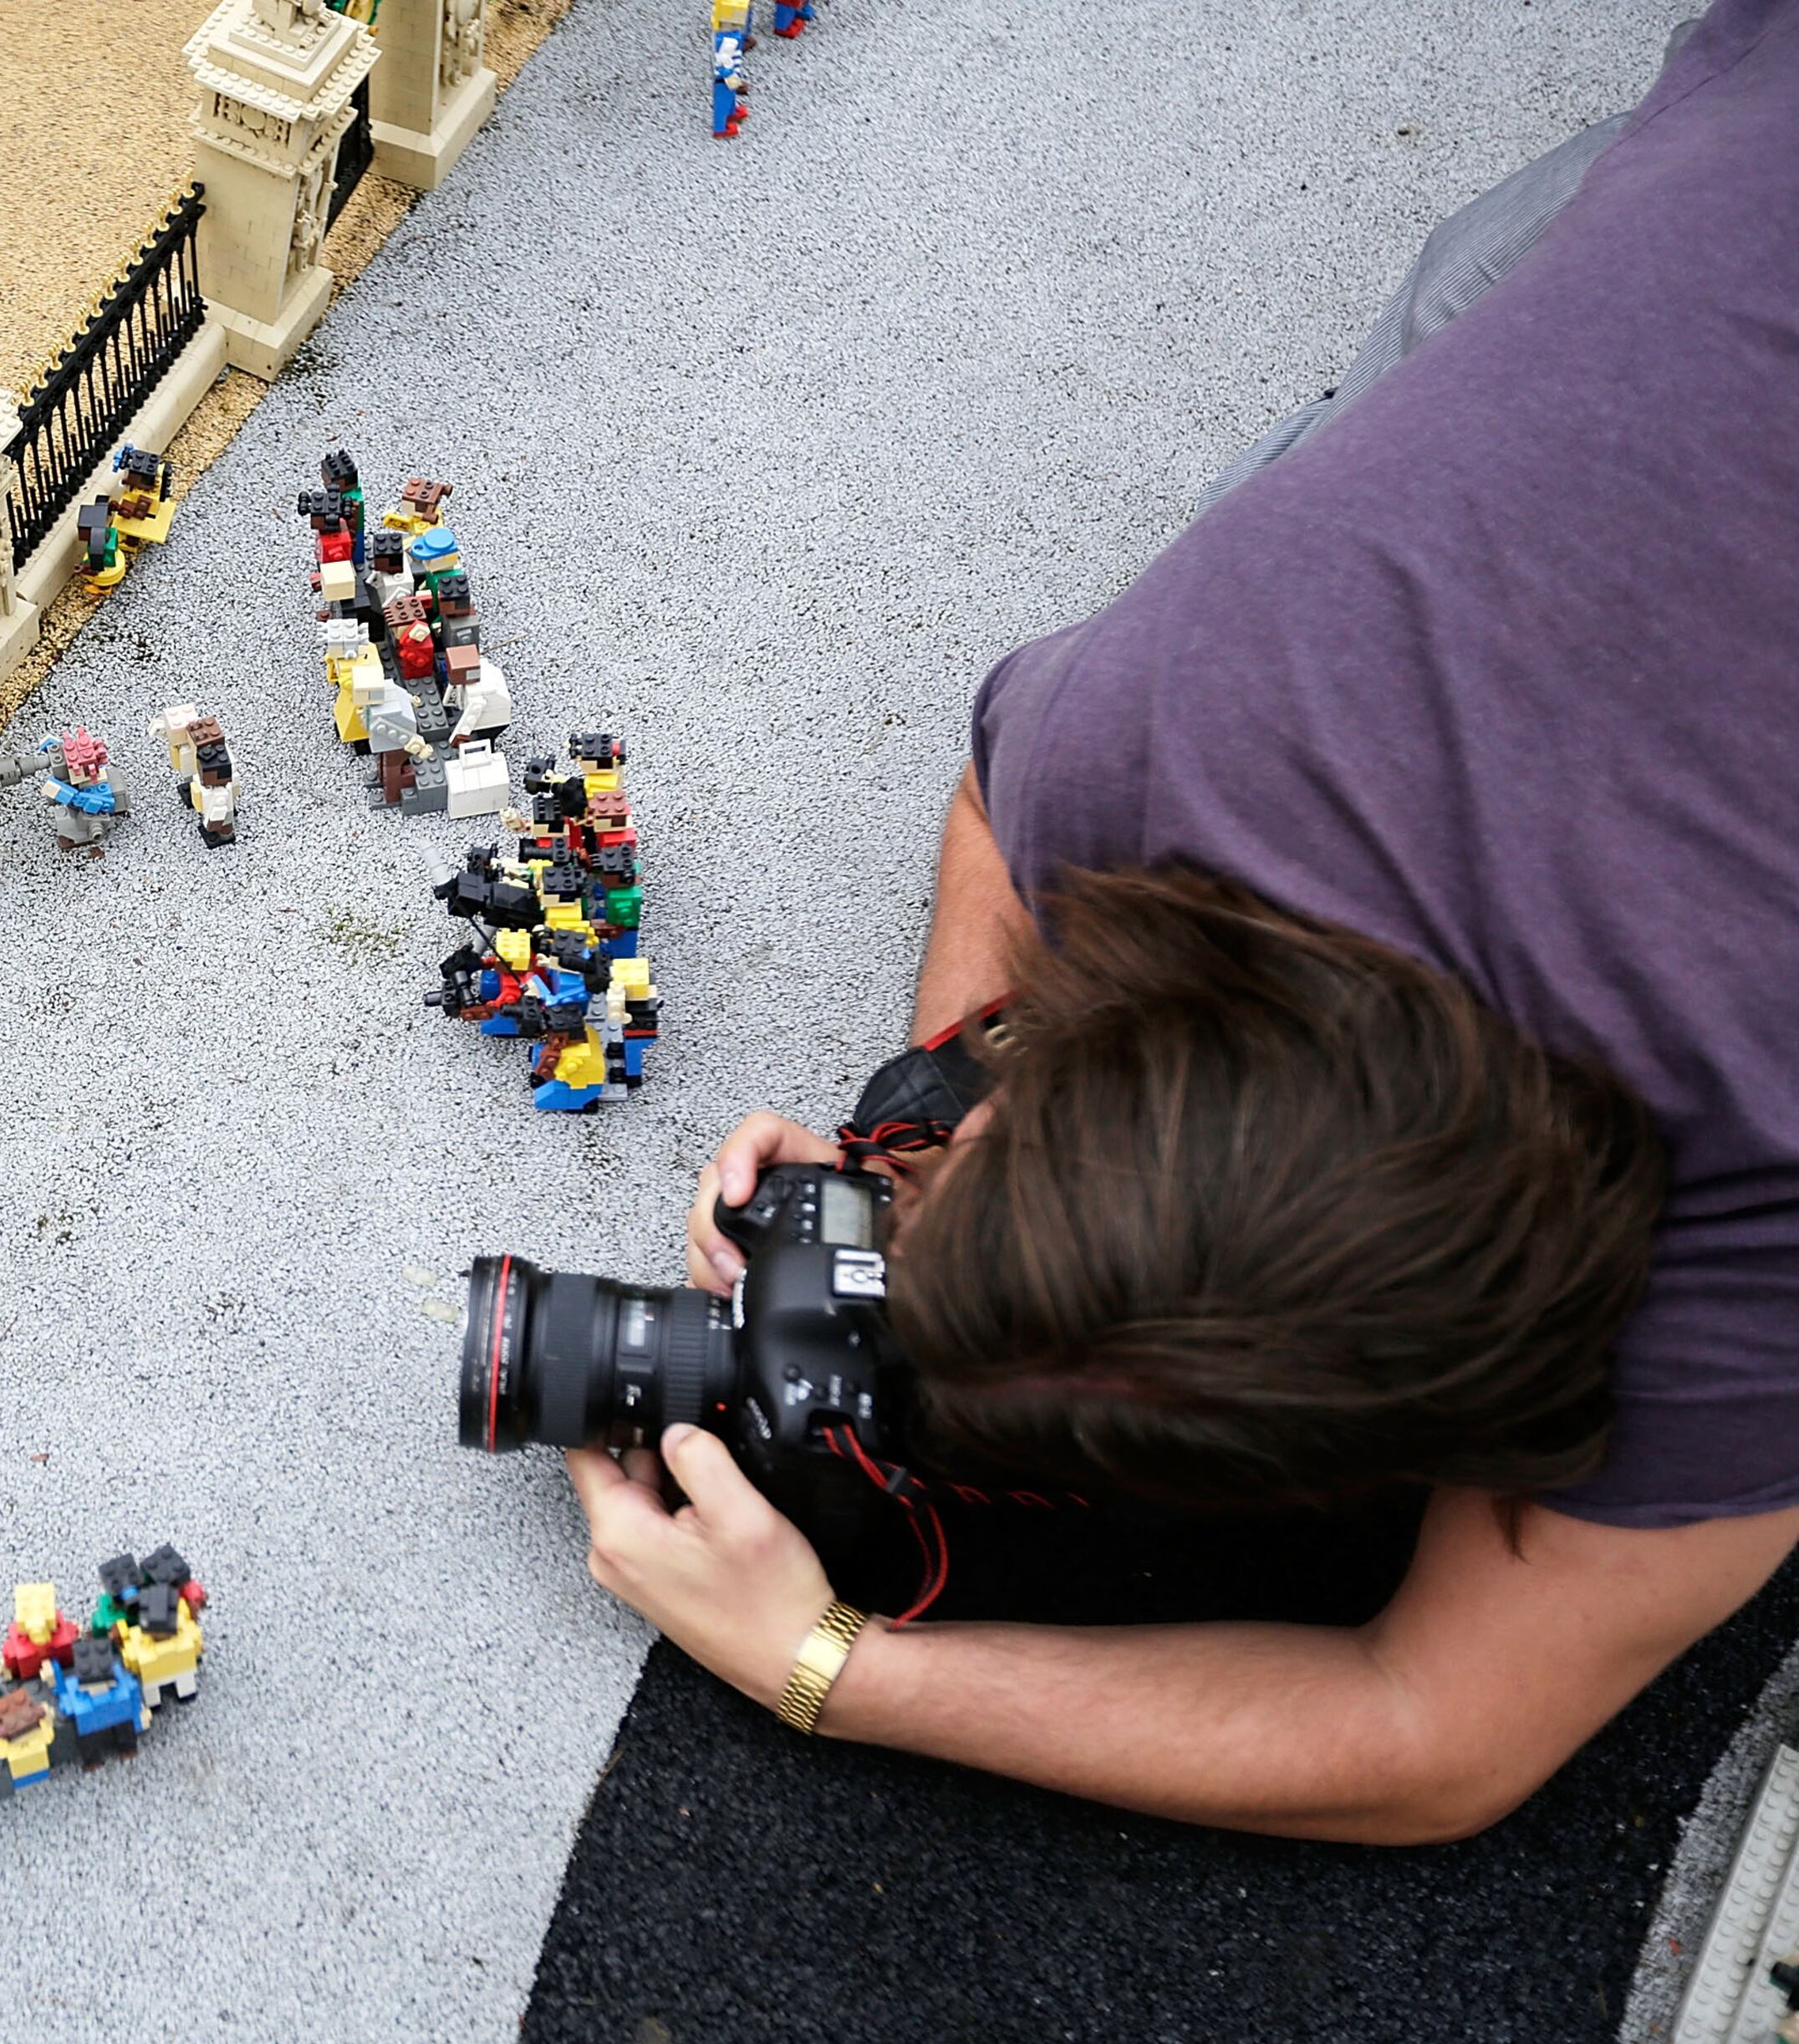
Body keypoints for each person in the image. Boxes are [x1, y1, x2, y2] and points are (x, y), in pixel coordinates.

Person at [568, 0, 1799, 1844]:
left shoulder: (1758, 1230)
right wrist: (918, 1110)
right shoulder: (1168, 729)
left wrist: (829, 1658)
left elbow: (1435, 1727)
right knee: (1472, 315)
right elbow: (999, 806)